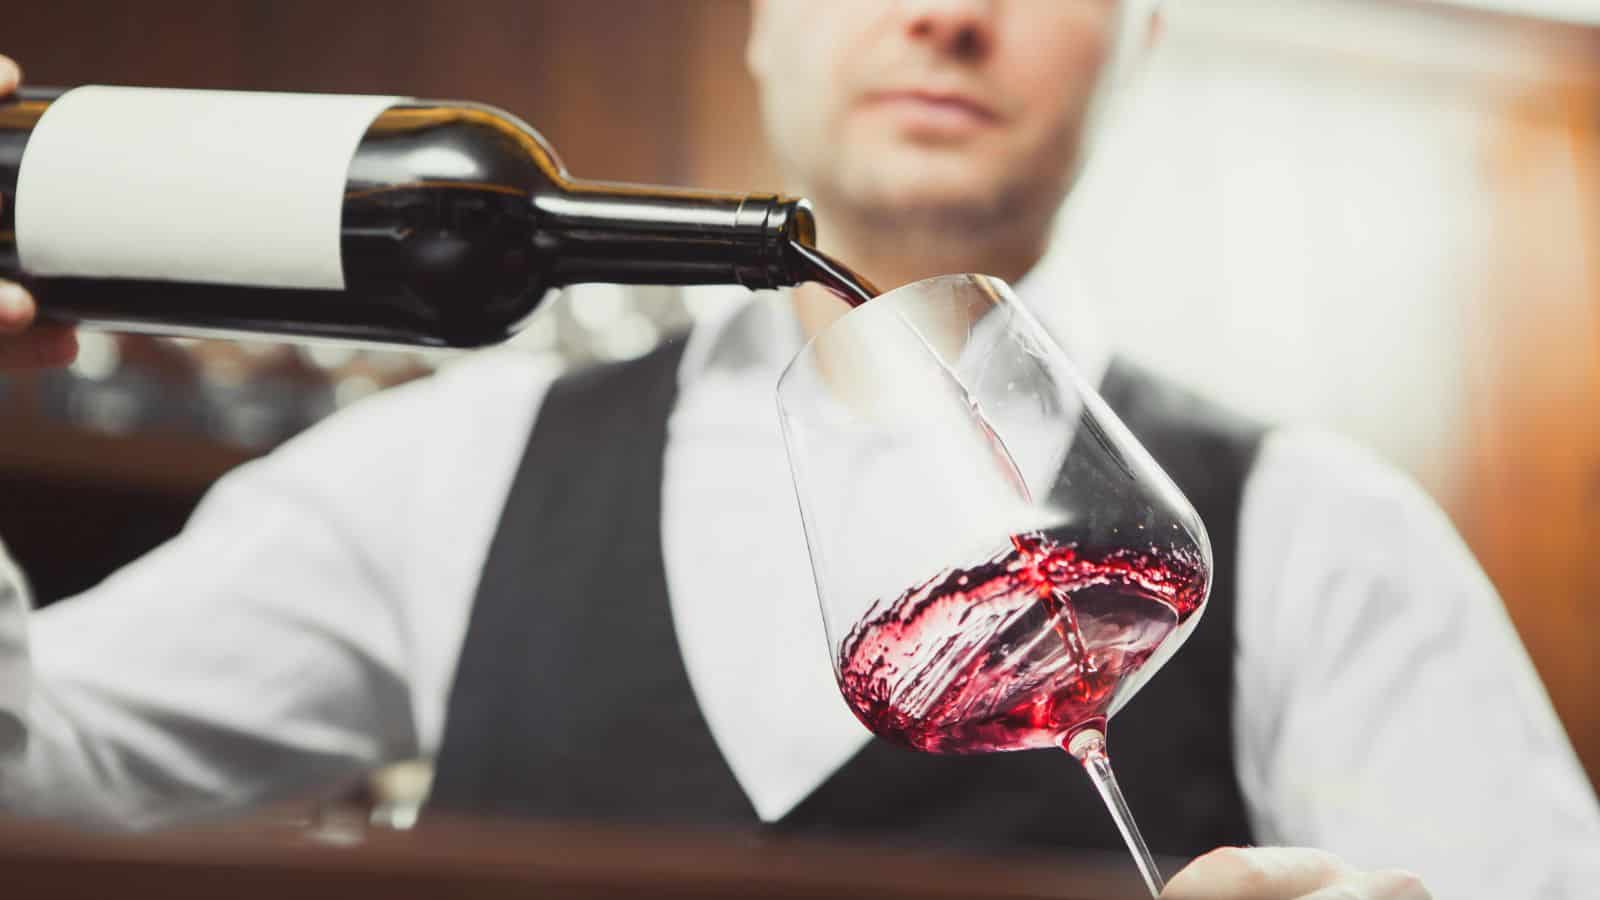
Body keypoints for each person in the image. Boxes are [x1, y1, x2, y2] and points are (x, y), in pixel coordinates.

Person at [1, 2, 1596, 898]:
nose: (946, 14)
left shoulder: (1321, 525)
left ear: (1143, 34)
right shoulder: (448, 467)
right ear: (760, 20)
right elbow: (42, 773)